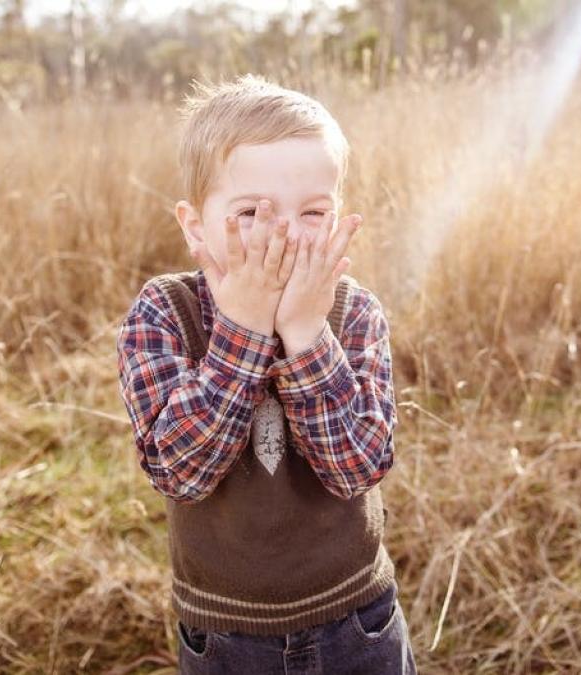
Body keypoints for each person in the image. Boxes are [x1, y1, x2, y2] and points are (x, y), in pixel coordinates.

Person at [116, 73, 417, 675]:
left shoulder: (352, 311)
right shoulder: (163, 313)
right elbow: (181, 471)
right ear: (195, 225)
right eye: (252, 210)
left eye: (313, 211)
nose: (284, 232)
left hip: (356, 618)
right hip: (226, 634)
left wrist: (307, 334)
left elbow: (359, 465)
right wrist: (245, 330)